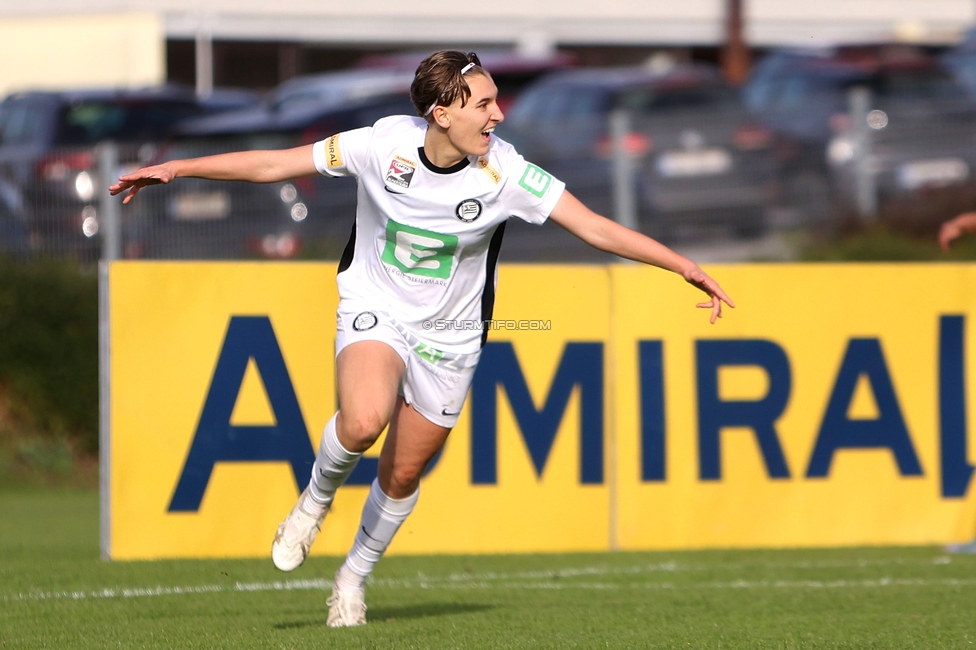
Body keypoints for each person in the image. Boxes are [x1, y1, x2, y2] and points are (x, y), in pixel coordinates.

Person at [110, 50, 735, 627]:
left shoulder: (505, 171)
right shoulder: (382, 145)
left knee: (404, 471)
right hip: (374, 306)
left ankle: (352, 578)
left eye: (495, 100)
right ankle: (314, 501)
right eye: (483, 103)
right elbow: (276, 163)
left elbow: (594, 227)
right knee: (361, 422)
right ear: (441, 113)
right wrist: (177, 168)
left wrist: (684, 265)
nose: (498, 112)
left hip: (454, 334)